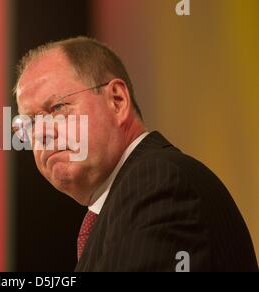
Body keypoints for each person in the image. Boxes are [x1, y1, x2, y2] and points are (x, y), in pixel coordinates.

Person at [14, 36, 258, 271]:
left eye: (57, 108)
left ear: (117, 101)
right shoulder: (120, 203)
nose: (41, 133)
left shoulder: (157, 182)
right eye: (29, 123)